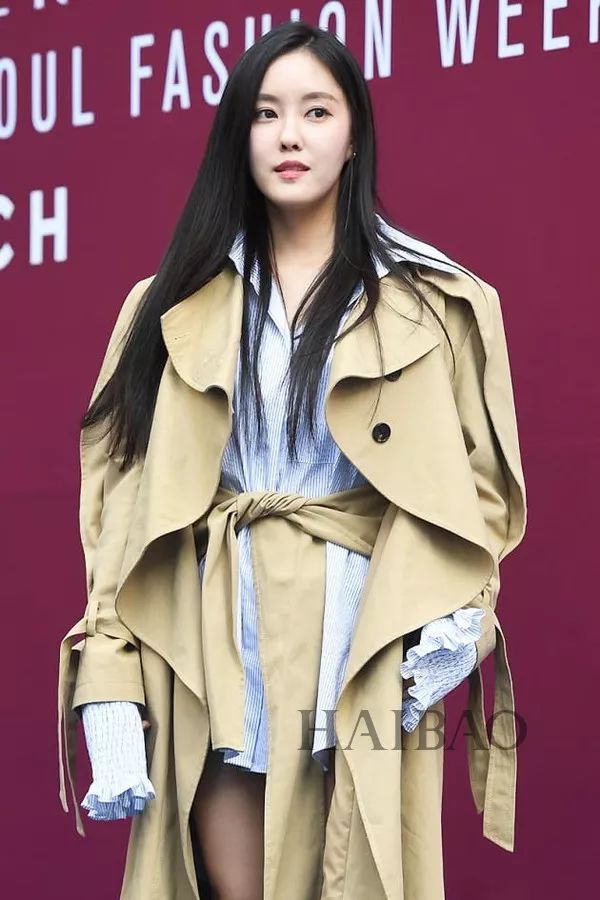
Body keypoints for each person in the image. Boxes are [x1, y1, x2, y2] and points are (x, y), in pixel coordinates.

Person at [57, 19, 527, 900]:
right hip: (214, 636)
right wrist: (110, 676)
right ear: (238, 136)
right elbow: (122, 505)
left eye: (317, 111)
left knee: (360, 876)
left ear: (354, 136)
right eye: (266, 113)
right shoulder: (166, 306)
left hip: (365, 633)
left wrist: (459, 614)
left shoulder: (440, 303)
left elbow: (482, 490)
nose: (290, 136)